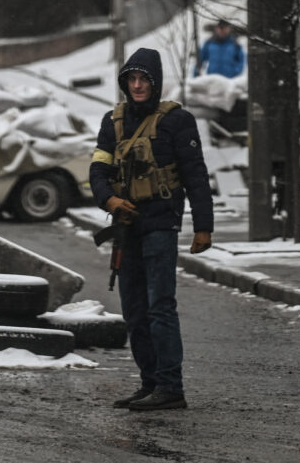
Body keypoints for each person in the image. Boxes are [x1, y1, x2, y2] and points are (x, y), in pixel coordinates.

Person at [89, 47, 213, 411]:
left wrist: (203, 226)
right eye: (133, 79)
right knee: (134, 311)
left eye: (145, 79)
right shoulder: (113, 122)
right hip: (126, 228)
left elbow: (195, 175)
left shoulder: (178, 121)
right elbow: (98, 170)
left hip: (161, 223)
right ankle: (150, 383)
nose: (138, 85)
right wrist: (109, 200)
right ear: (125, 82)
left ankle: (170, 387)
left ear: (155, 82)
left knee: (160, 307)